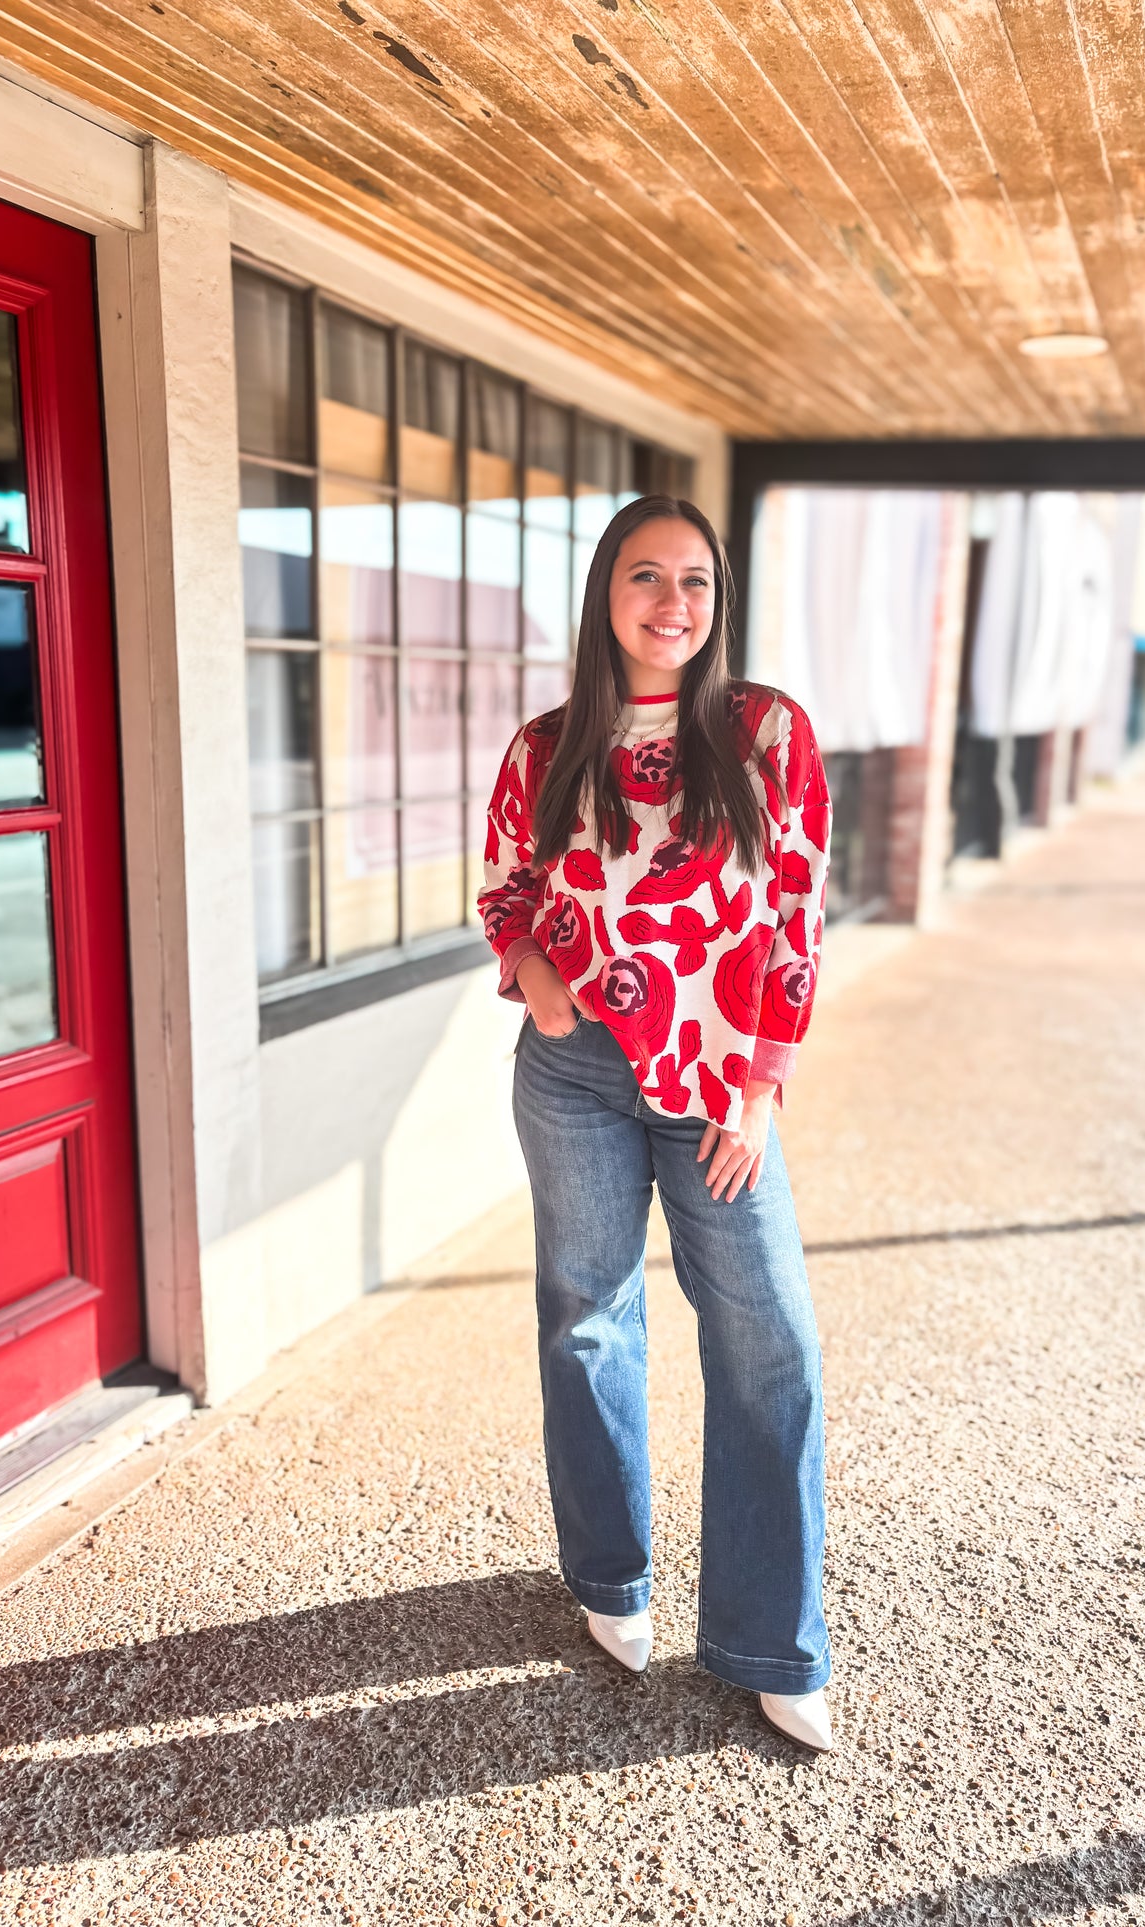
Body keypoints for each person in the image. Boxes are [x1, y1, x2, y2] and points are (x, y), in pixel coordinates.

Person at [478, 494, 834, 1752]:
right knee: (587, 1320)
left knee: (768, 1338)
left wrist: (758, 1083)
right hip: (572, 1075)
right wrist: (532, 973)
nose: (670, 603)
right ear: (604, 594)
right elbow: (505, 884)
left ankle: (771, 1637)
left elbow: (792, 910)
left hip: (716, 1093)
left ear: (715, 601)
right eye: (644, 577)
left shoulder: (762, 731)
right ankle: (607, 1577)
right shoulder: (545, 743)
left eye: (693, 581)